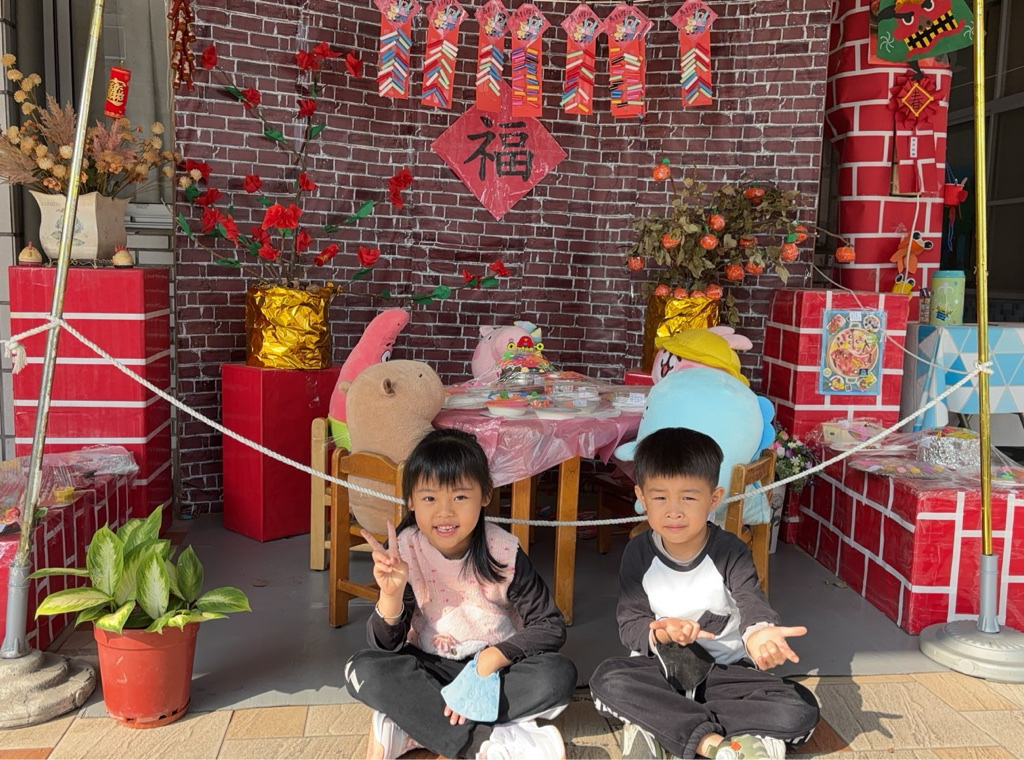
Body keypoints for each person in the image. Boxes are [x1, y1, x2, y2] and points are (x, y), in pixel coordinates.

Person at [344, 427, 577, 760]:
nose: (445, 512)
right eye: (429, 498)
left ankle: (413, 725)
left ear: (485, 495)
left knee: (557, 676)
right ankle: (484, 741)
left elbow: (549, 626)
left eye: (460, 497)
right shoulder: (405, 550)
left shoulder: (503, 551)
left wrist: (491, 658)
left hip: (494, 670)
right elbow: (385, 646)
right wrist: (391, 596)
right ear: (410, 500)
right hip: (431, 667)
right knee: (362, 669)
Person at [590, 427, 819, 760]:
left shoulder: (730, 550)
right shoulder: (637, 553)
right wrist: (662, 633)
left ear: (714, 498)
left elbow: (751, 600)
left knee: (799, 709)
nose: (674, 511)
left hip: (726, 673)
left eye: (688, 497)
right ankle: (717, 742)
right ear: (641, 497)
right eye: (660, 497)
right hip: (664, 672)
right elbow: (630, 624)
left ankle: (661, 726)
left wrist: (760, 634)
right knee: (607, 680)